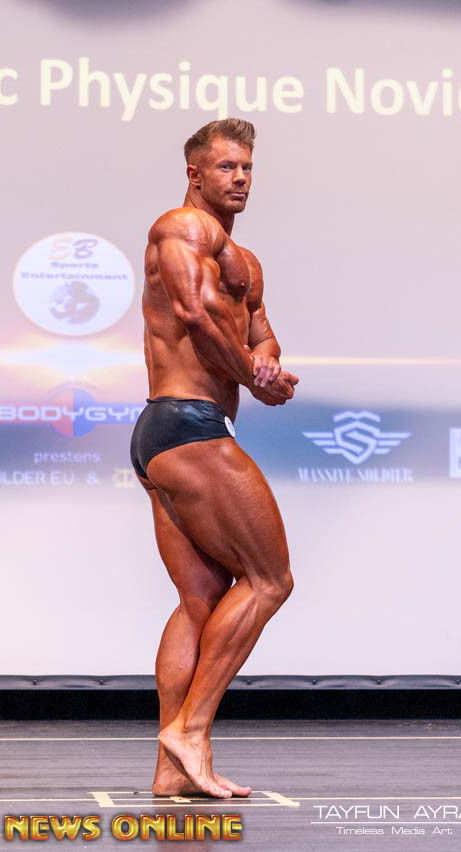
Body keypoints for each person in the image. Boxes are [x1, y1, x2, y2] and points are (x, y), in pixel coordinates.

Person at [130, 118, 298, 800]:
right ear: (195, 173)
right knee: (270, 580)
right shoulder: (179, 227)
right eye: (227, 167)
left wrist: (270, 365)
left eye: (248, 168)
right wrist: (254, 378)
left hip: (170, 433)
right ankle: (191, 730)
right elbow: (197, 317)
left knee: (200, 599)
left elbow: (261, 334)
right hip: (188, 424)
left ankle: (171, 769)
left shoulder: (246, 261)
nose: (241, 178)